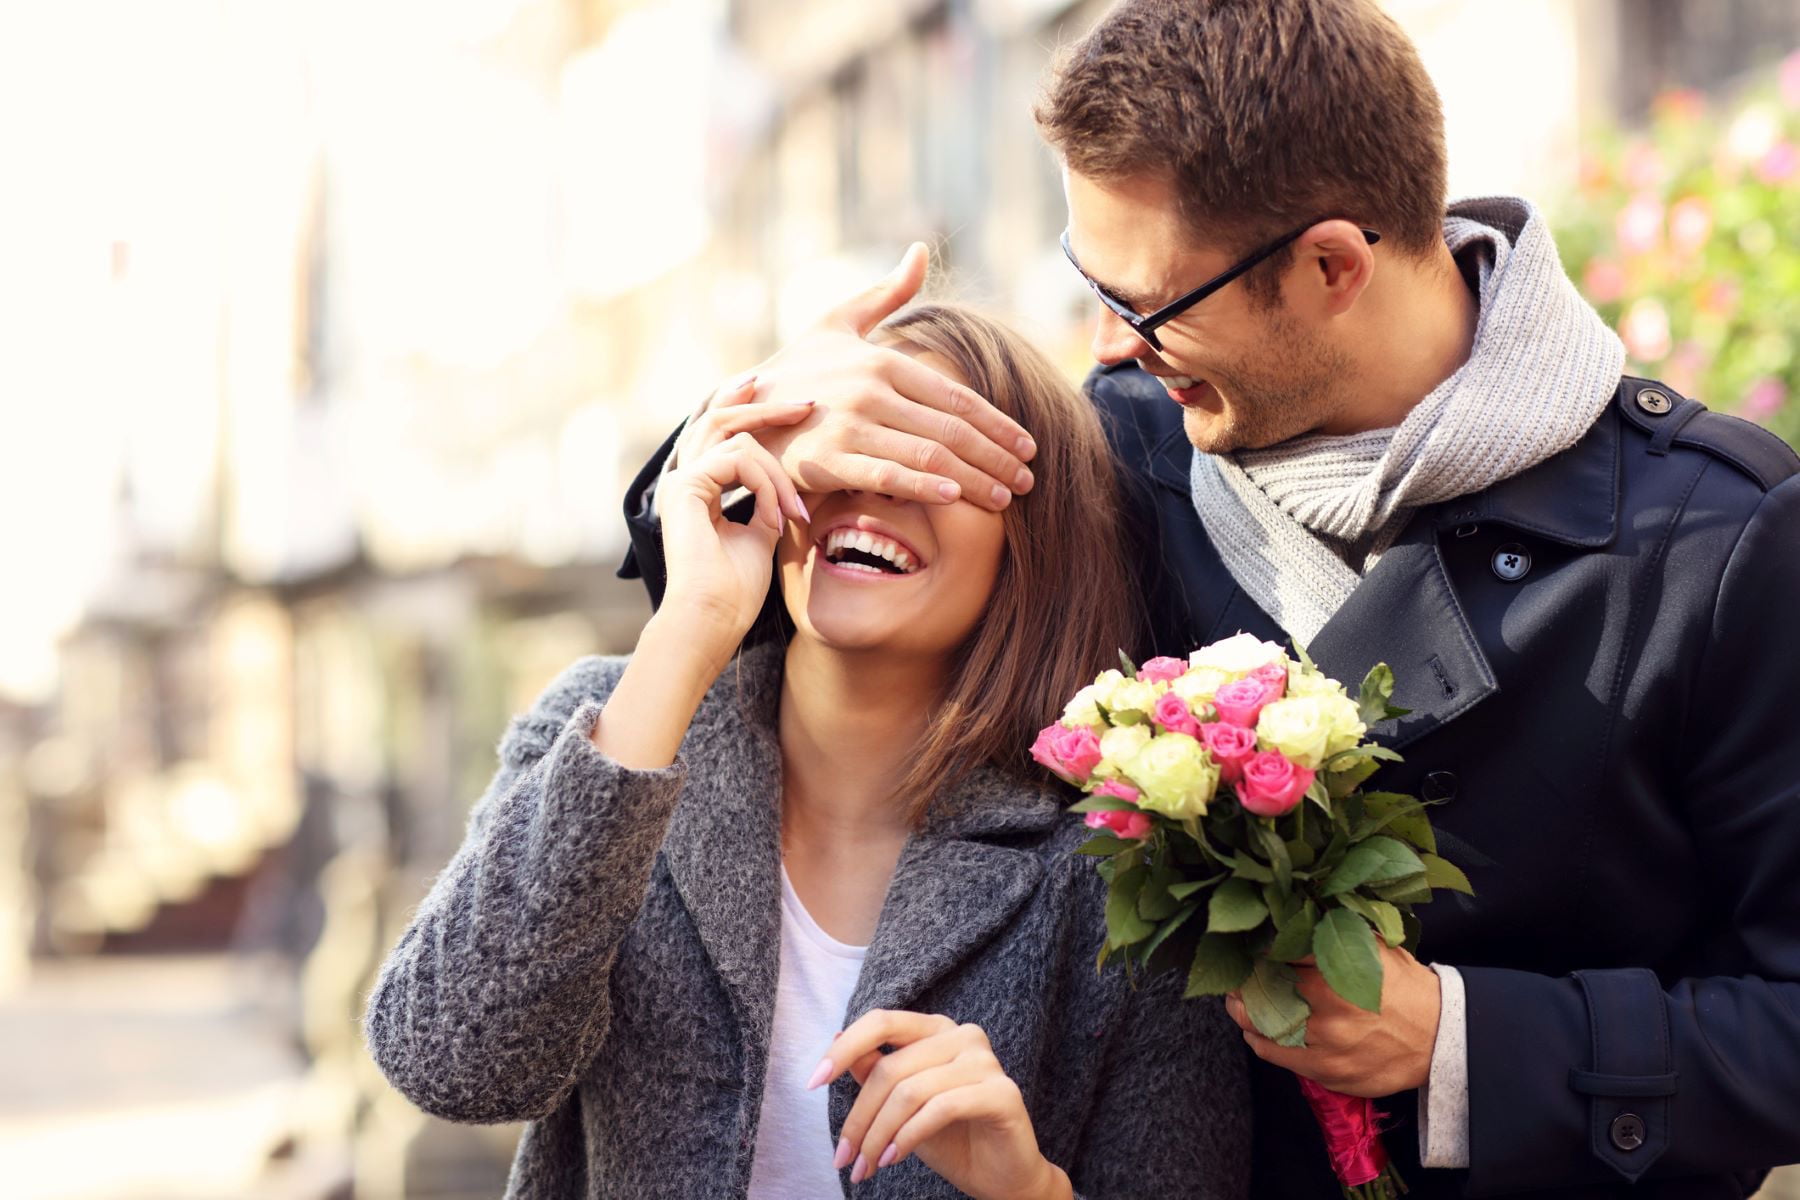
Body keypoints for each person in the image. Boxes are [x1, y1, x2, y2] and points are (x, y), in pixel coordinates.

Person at [618, 2, 1800, 1196]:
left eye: (1153, 304)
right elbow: (795, 599)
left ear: (1333, 264)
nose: (1112, 342)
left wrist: (1460, 1040)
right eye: (1095, 283)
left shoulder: (1718, 538)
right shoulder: (1114, 455)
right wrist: (773, 417)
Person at [366, 304, 1251, 1200]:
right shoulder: (613, 722)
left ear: (1033, 542)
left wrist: (1029, 1191)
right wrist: (692, 624)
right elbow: (452, 1062)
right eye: (846, 447)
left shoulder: (1116, 866)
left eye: (931, 456)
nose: (875, 484)